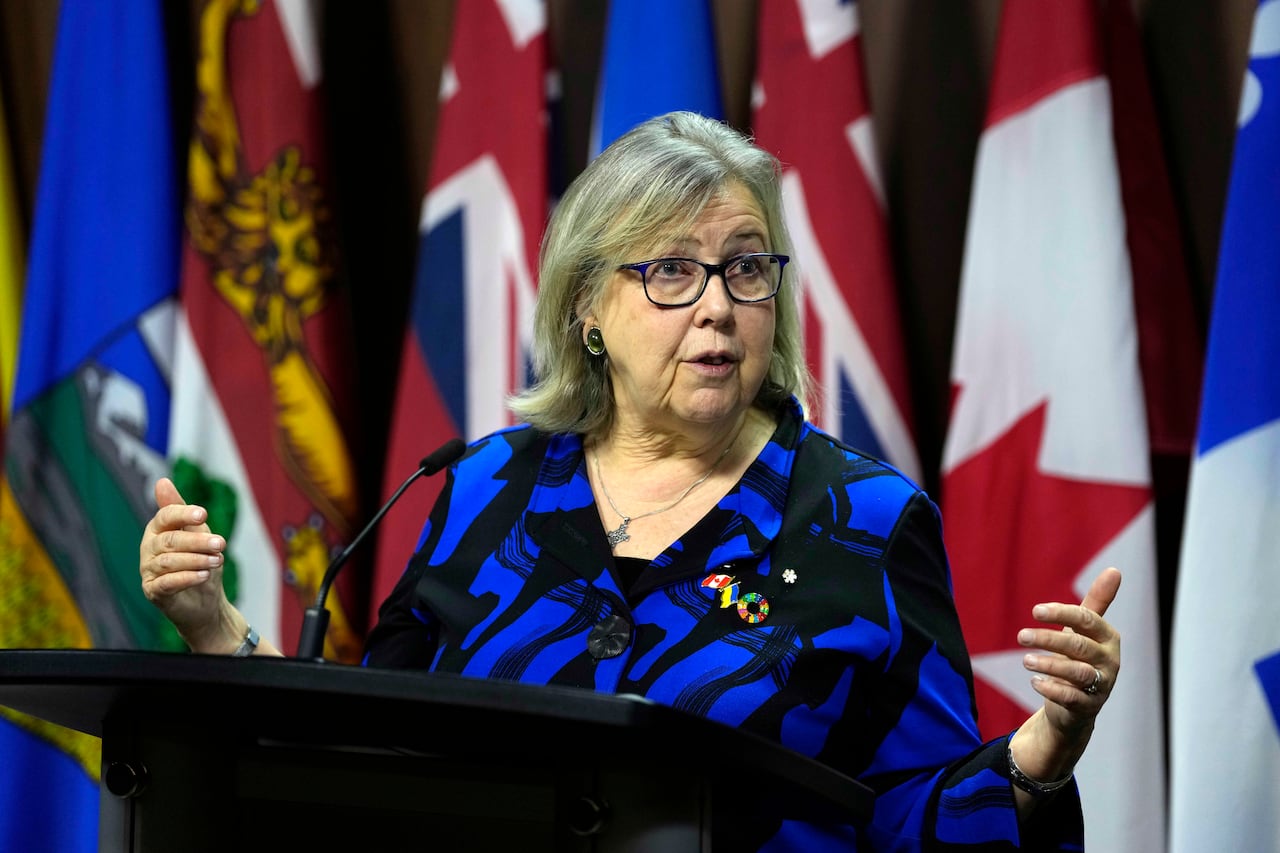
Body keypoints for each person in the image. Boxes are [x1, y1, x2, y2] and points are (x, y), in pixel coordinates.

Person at [140, 111, 1122, 850]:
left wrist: (1041, 753)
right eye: (671, 271)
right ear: (588, 309)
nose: (717, 307)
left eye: (745, 268)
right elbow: (368, 754)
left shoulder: (862, 519)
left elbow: (909, 810)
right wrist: (215, 627)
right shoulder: (486, 489)